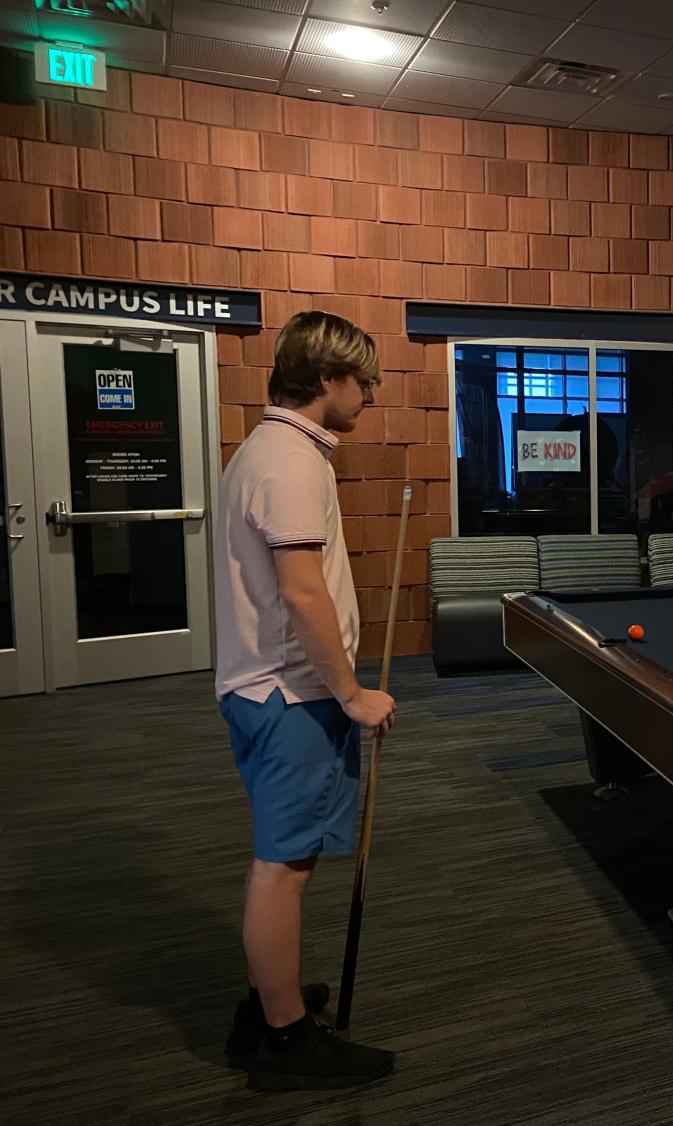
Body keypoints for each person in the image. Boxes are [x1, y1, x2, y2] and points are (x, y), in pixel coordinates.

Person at [213, 310, 397, 1091]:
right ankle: (283, 1038)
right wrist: (350, 693)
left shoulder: (277, 450)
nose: (370, 397)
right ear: (325, 379)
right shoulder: (289, 462)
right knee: (282, 868)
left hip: (279, 689)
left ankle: (272, 999)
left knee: (288, 863)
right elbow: (301, 593)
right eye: (363, 382)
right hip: (289, 694)